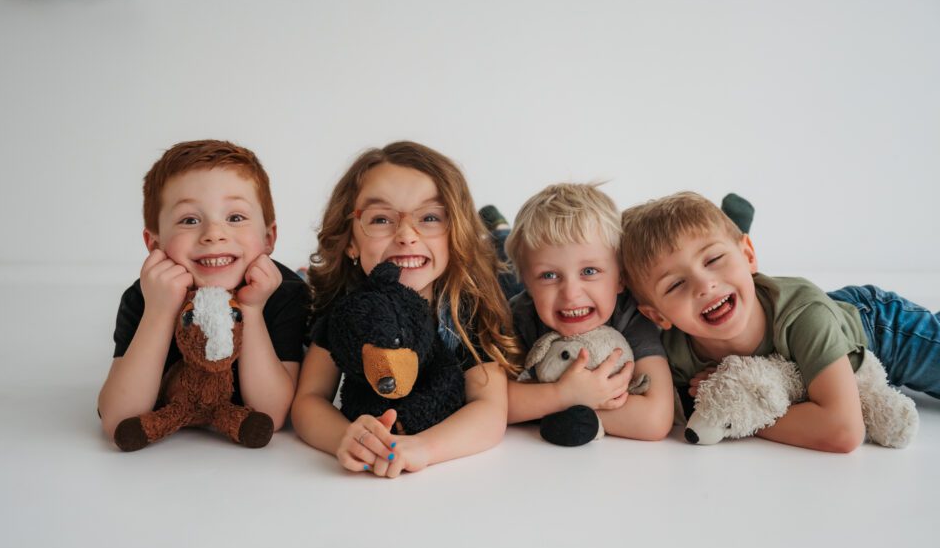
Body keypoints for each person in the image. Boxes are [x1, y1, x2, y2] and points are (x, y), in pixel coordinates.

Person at [620, 191, 940, 453]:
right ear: (657, 316)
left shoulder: (804, 314)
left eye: (714, 259)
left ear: (748, 255)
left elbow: (844, 430)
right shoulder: (673, 354)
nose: (705, 285)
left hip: (881, 330)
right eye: (676, 285)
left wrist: (740, 415)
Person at [291, 141, 520, 478]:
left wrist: (423, 448)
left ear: (455, 232)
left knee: (509, 265)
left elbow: (490, 409)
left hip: (500, 274)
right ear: (350, 241)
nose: (406, 236)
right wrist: (346, 437)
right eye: (381, 219)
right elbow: (309, 399)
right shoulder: (348, 311)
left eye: (430, 217)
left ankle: (496, 228)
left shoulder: (467, 307)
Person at [97, 139, 310, 442]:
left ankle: (307, 272)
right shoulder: (145, 297)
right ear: (154, 244)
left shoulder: (285, 294)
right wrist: (159, 312)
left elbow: (271, 414)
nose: (213, 234)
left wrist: (252, 309)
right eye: (190, 220)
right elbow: (118, 419)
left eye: (235, 217)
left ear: (268, 238)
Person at [504, 183, 675, 443]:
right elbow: (489, 404)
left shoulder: (631, 314)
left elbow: (655, 419)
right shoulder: (520, 315)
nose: (571, 294)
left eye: (589, 271)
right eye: (549, 275)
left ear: (620, 278)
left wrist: (563, 402)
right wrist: (564, 395)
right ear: (527, 284)